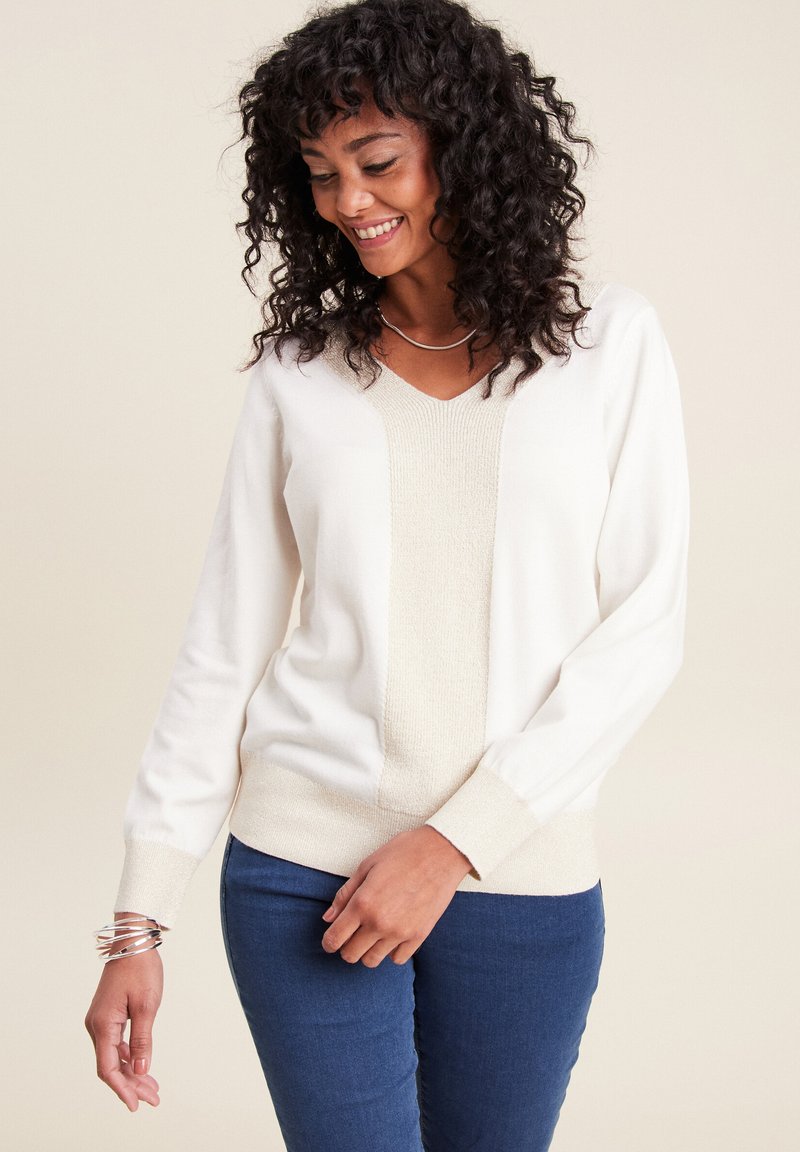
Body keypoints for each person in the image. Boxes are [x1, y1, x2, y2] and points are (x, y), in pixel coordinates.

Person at [84, 1, 690, 1148]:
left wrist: (454, 842)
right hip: (301, 874)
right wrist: (136, 922)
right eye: (318, 174)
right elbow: (222, 651)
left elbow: (643, 625)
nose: (347, 200)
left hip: (519, 875)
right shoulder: (298, 375)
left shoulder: (607, 346)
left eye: (375, 161)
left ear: (462, 146)